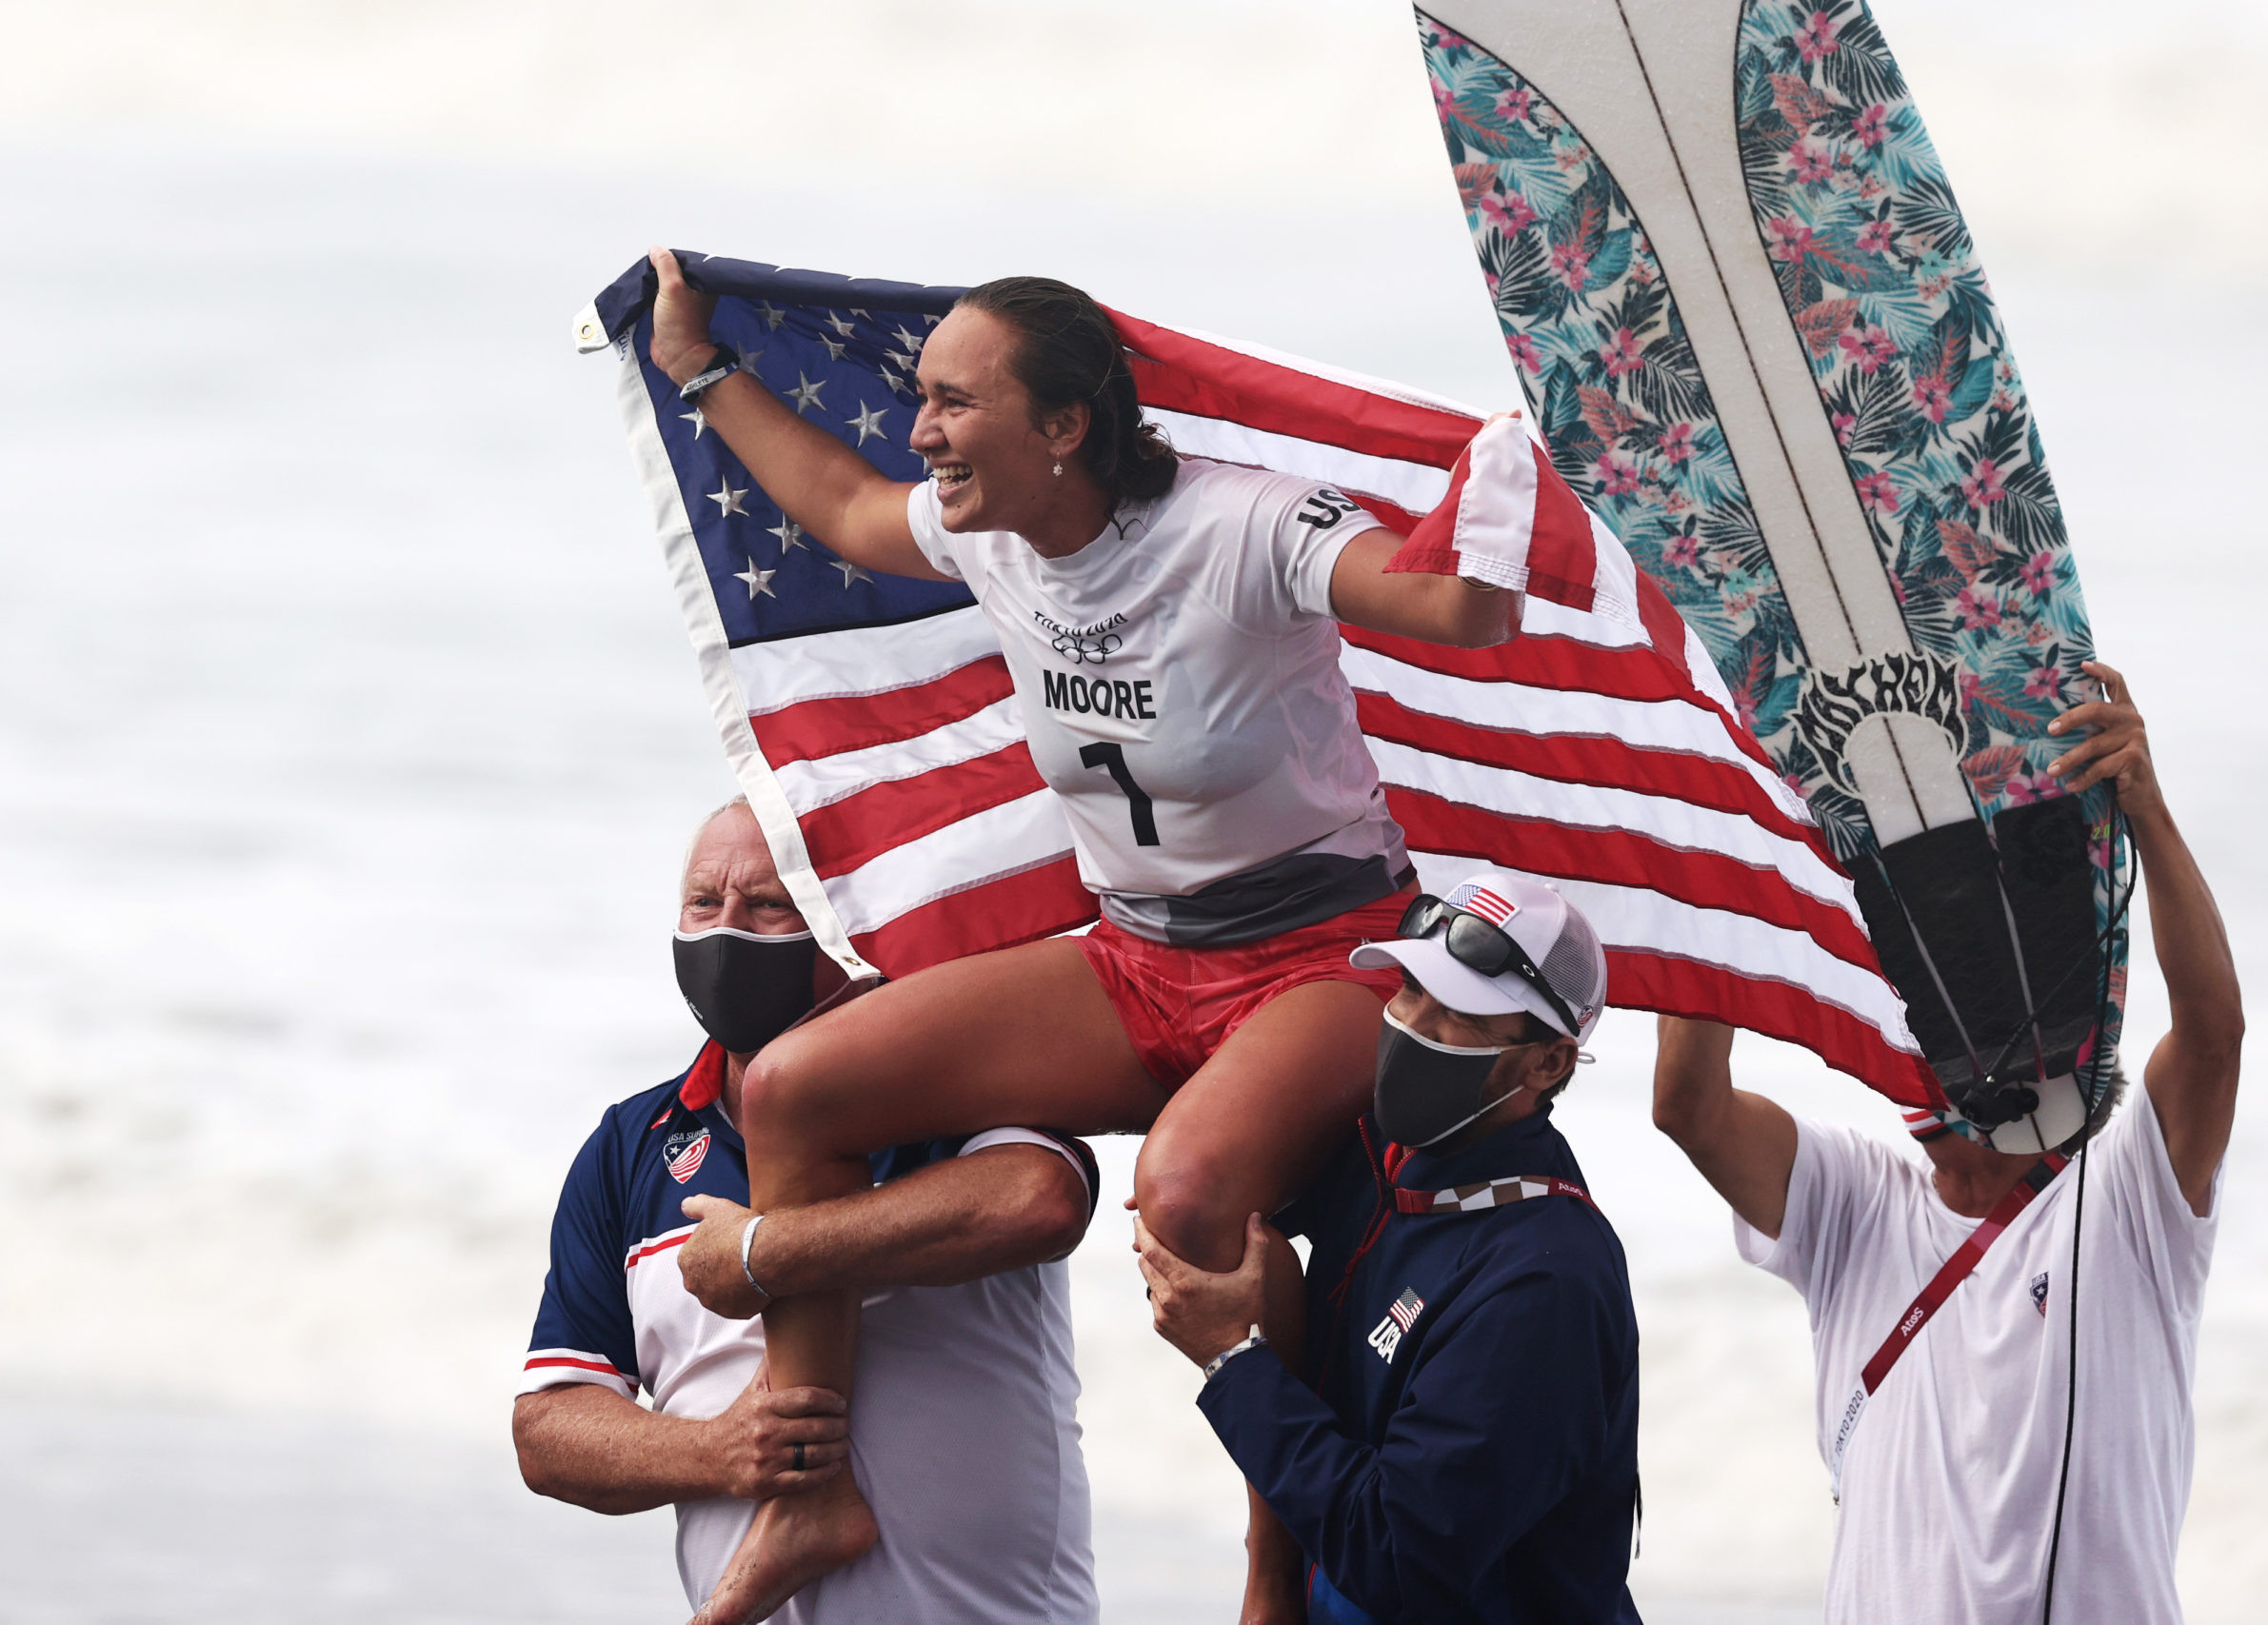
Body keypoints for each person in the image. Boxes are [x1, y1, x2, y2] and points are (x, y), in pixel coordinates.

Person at [644, 247, 1525, 1621]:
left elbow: (1453, 612)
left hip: (1324, 951)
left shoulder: (1247, 526)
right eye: (923, 396)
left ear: (1062, 426)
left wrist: (1510, 481)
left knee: (1184, 1194)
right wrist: (699, 366)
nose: (922, 429)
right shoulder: (986, 532)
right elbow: (840, 506)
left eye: (954, 401)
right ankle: (810, 1480)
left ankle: (1272, 1563)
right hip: (1136, 956)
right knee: (797, 1083)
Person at [1651, 663, 2240, 1624]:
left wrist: (2147, 814)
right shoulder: (1856, 1201)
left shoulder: (2125, 1199)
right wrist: (1734, 874)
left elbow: (2213, 1036)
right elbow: (1688, 1107)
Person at [513, 801, 1101, 1623]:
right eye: (702, 903)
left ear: (841, 920)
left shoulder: (952, 1087)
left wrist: (765, 1249)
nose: (726, 931)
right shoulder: (629, 1145)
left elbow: (1042, 1200)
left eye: (767, 905)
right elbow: (548, 1430)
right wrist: (717, 1452)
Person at [1139, 870, 1645, 1625]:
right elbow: (1212, 1184)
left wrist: (1232, 1363)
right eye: (1409, 990)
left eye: (1459, 1017)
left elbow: (1397, 1558)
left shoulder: (1544, 1281)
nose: (1412, 1026)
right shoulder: (1384, 1154)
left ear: (1547, 1063)